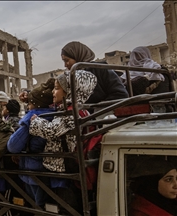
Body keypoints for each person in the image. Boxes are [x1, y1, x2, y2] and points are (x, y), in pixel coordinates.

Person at [29, 70, 98, 214]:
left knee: (64, 207)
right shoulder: (77, 109)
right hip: (64, 167)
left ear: (69, 91)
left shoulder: (71, 113)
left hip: (63, 167)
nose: (53, 92)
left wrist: (36, 121)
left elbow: (52, 130)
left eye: (57, 88)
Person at [7, 78, 61, 209]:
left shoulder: (32, 120)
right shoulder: (54, 115)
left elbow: (12, 146)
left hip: (35, 174)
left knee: (37, 207)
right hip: (47, 173)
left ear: (34, 104)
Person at [60, 41, 128, 104]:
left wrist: (99, 107)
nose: (65, 65)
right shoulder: (72, 78)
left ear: (77, 55)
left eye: (67, 60)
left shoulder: (101, 70)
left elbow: (121, 94)